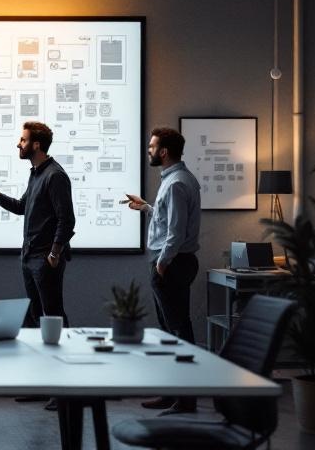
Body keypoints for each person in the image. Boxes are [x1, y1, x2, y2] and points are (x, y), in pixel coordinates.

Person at [126, 127, 201, 415]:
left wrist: (162, 262)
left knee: (178, 332)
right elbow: (168, 217)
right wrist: (146, 207)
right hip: (171, 262)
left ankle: (185, 399)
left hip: (172, 263)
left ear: (164, 152)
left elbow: (176, 231)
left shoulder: (176, 183)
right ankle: (172, 393)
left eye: (152, 146)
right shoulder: (175, 180)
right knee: (170, 331)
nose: (149, 150)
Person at [0, 121, 75, 327]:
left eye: (23, 140)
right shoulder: (37, 172)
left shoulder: (55, 175)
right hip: (29, 256)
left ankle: (64, 355)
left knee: (53, 315)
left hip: (45, 257)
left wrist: (54, 253)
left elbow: (67, 219)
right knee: (36, 316)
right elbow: (21, 206)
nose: (18, 144)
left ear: (36, 145)